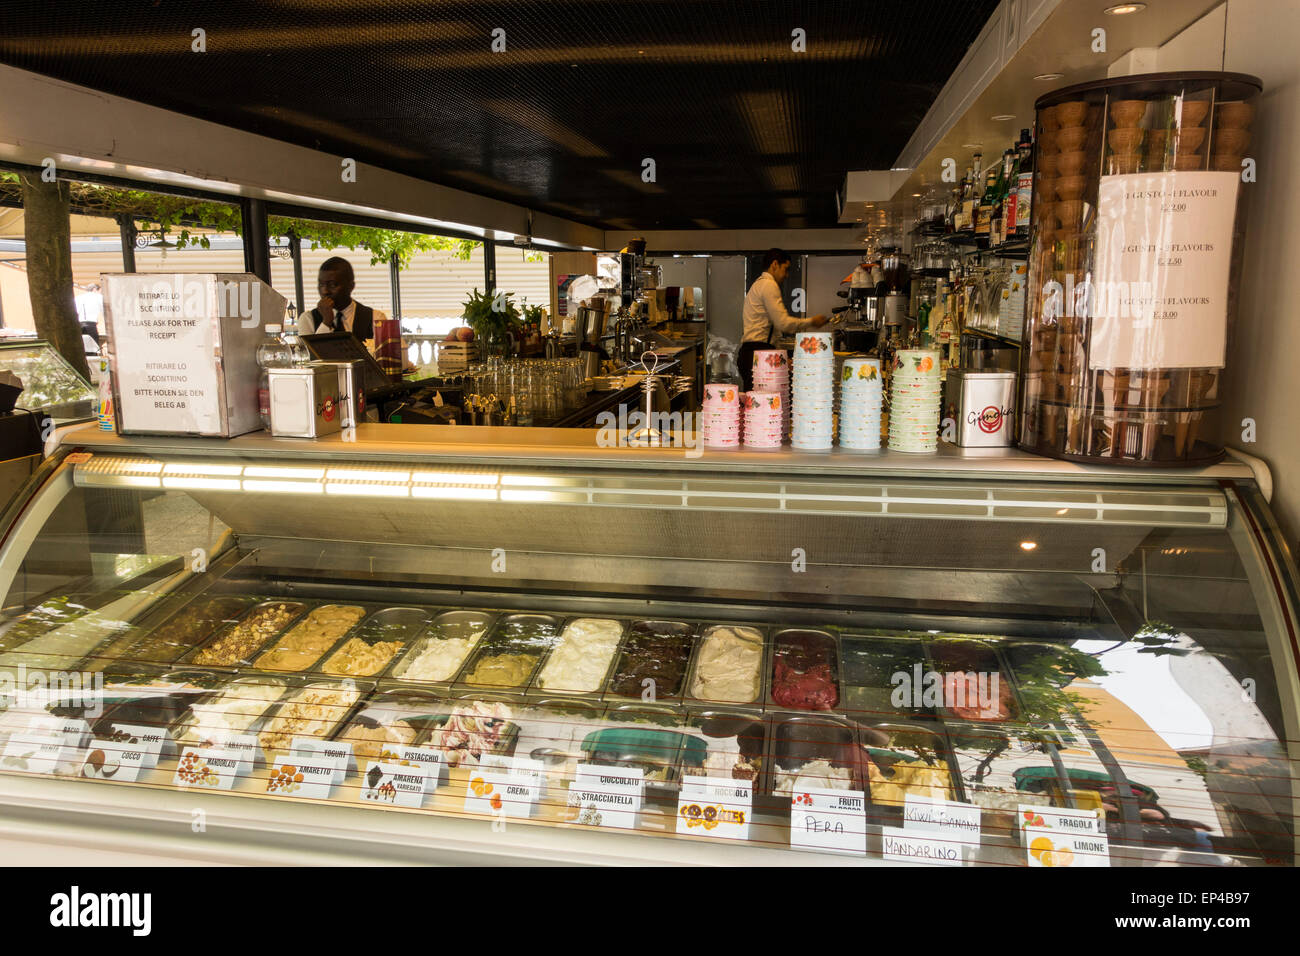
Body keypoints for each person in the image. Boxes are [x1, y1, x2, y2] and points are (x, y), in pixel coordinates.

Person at [739, 249, 826, 390]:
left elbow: (773, 327)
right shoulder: (769, 285)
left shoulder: (758, 284)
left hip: (751, 352)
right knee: (764, 406)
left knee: (758, 406)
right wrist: (812, 322)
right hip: (759, 352)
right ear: (774, 264)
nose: (787, 275)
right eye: (785, 269)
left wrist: (783, 359)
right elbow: (783, 323)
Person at [297, 256, 389, 347]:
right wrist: (326, 323)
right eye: (321, 284)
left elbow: (384, 357)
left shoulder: (375, 318)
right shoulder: (308, 319)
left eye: (332, 285)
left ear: (351, 286)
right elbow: (308, 357)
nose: (325, 291)